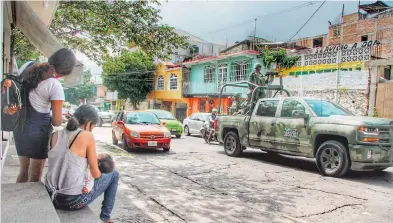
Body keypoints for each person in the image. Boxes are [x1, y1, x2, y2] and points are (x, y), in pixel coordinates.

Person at [45, 105, 119, 223]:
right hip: (71, 201)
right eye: (93, 127)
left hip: (51, 195)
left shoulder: (55, 134)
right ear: (89, 123)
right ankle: (105, 218)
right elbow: (96, 174)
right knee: (114, 174)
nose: (92, 130)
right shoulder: (87, 136)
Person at [14, 48, 76, 183]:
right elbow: (57, 122)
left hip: (20, 129)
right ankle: (31, 204)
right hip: (38, 134)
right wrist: (61, 117)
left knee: (23, 173)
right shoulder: (54, 85)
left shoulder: (29, 72)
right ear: (67, 69)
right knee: (35, 177)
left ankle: (18, 202)